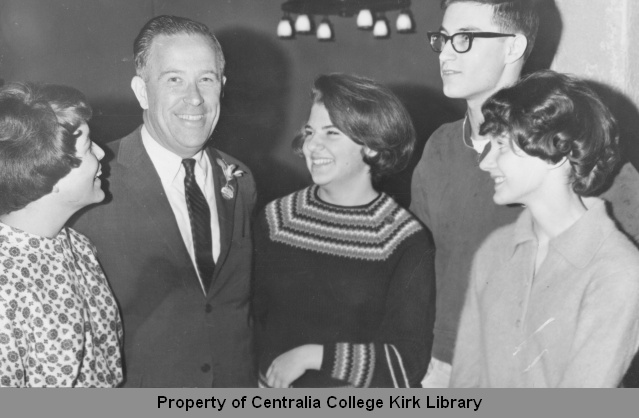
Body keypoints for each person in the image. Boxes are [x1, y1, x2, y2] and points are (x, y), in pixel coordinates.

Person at [410, 0, 639, 388]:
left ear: (513, 47)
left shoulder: (582, 153)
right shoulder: (441, 148)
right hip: (447, 370)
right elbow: (418, 267)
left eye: (463, 39)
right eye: (443, 39)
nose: (446, 53)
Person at [72, 15, 256, 387]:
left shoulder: (242, 178)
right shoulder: (91, 182)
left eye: (205, 79)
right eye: (174, 80)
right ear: (142, 91)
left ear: (221, 85)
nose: (194, 98)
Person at [450, 70, 639, 387]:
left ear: (557, 152)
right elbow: (464, 386)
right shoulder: (494, 251)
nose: (485, 163)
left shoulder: (619, 271)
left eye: (501, 145)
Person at [253, 73, 436, 388]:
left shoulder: (402, 240)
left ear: (373, 148)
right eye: (310, 132)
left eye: (331, 133)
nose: (313, 145)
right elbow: (246, 321)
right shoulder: (276, 219)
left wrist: (313, 356)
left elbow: (407, 363)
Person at [0, 82, 123, 387]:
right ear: (48, 170)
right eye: (88, 145)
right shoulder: (4, 283)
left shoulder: (77, 247)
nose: (101, 152)